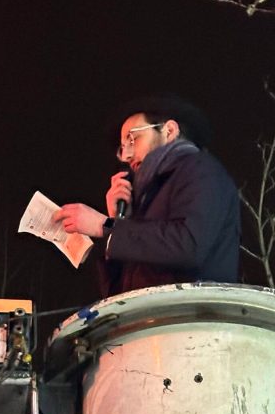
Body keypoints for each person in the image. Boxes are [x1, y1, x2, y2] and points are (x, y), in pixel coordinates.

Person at [53, 95, 240, 295]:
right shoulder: (146, 196)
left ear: (169, 131)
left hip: (192, 316)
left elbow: (189, 244)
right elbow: (117, 294)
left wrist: (106, 227)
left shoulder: (200, 169)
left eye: (133, 139)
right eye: (122, 148)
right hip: (149, 319)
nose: (127, 155)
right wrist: (121, 219)